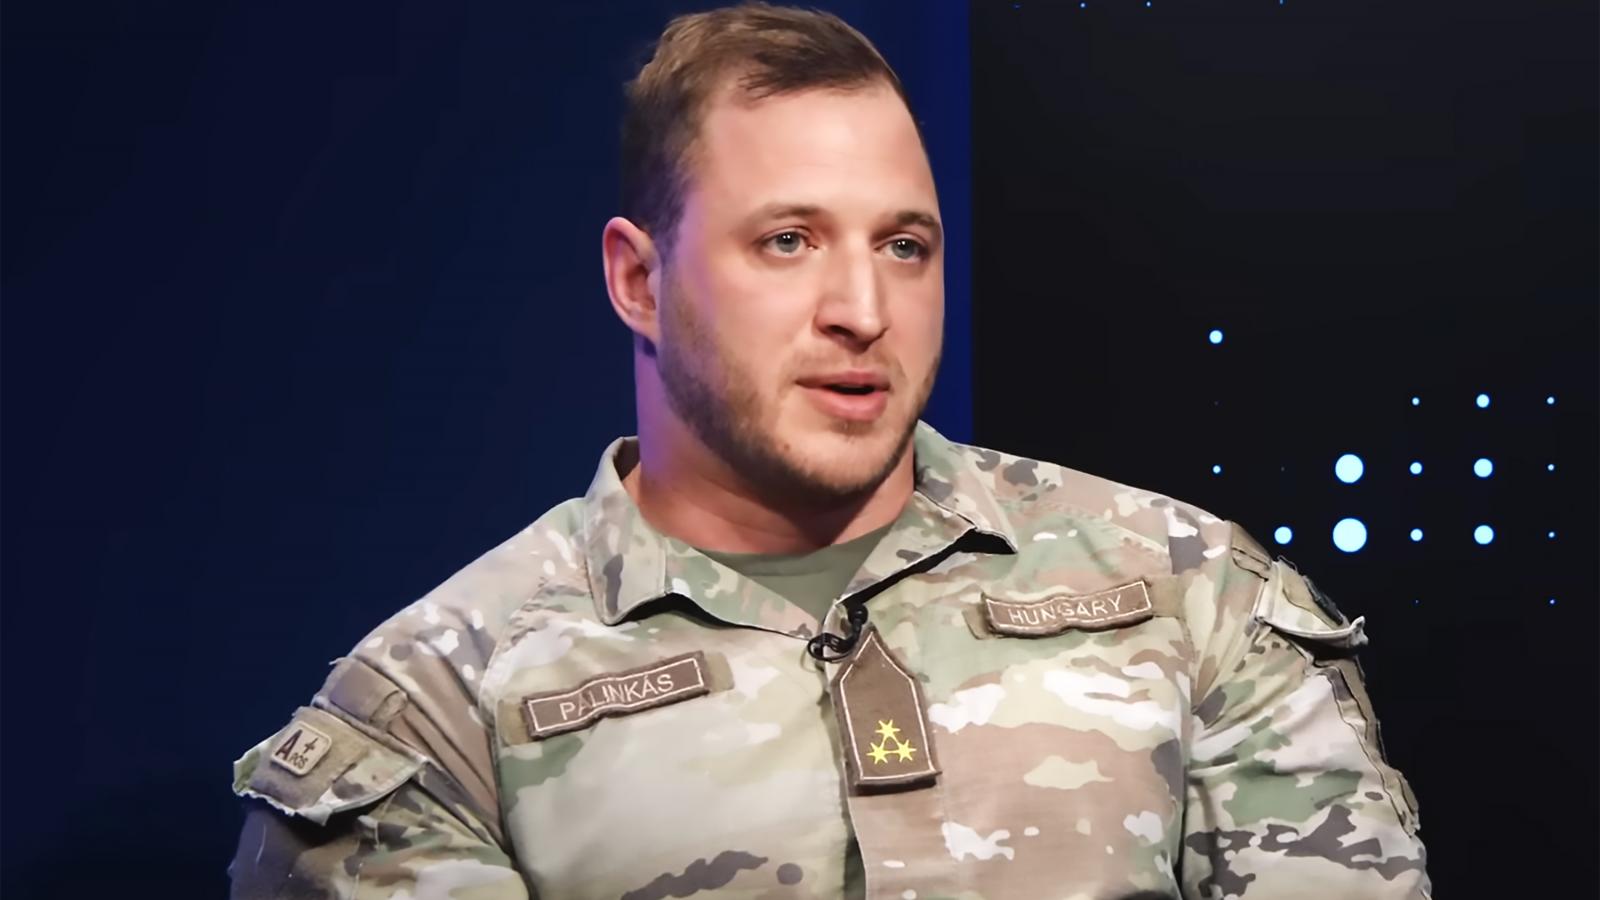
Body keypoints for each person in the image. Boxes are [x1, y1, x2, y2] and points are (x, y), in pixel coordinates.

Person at [228, 3, 1430, 897]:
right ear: (638, 280)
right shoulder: (436, 718)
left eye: (904, 246)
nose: (862, 309)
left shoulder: (1189, 591)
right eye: (788, 241)